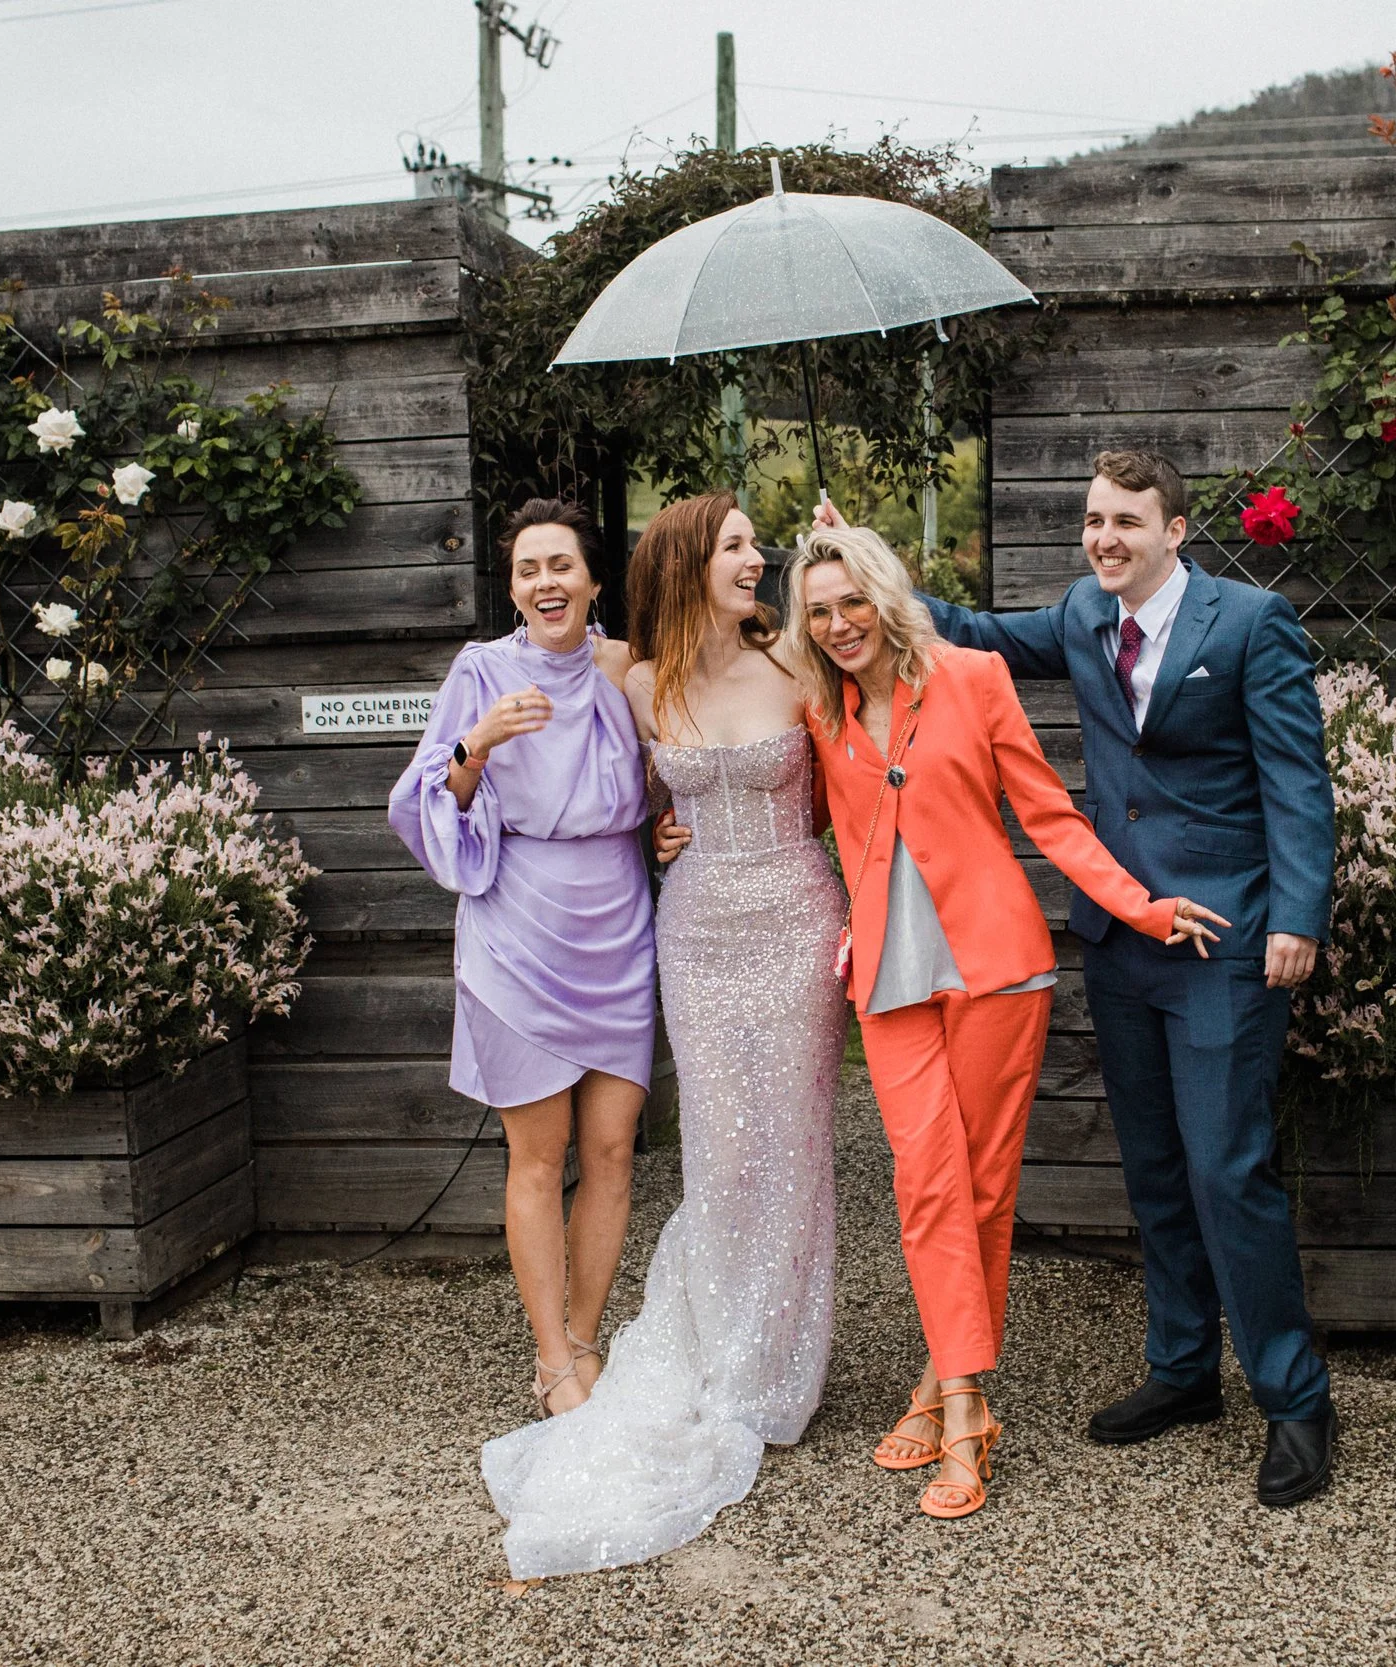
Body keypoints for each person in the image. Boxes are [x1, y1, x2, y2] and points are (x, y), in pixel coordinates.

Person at [771, 517, 1226, 1521]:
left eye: (852, 601)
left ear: (885, 595)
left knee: (978, 1189)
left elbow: (1049, 814)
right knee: (925, 1180)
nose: (840, 622)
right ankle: (968, 1402)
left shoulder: (973, 678)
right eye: (818, 612)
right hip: (888, 978)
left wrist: (1141, 903)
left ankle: (948, 1385)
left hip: (995, 965)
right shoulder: (816, 707)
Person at [917, 449, 1341, 1510]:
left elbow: (1297, 778)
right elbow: (969, 632)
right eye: (1094, 519)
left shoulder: (1248, 624)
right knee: (1152, 1169)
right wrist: (848, 558)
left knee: (1226, 1169)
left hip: (1223, 942)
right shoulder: (1076, 613)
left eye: (1127, 521)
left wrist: (1296, 915)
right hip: (1118, 938)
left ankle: (1296, 1400)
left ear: (1176, 530)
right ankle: (1183, 1370)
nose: (1105, 537)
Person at [479, 491, 847, 1579]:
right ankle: (712, 1346)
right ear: (689, 562)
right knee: (724, 1148)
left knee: (797, 1143)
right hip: (692, 931)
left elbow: (856, 777)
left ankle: (777, 1367)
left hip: (793, 914)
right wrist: (658, 821)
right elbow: (544, 661)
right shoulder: (636, 679)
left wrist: (833, 551)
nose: (758, 558)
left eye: (759, 545)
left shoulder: (798, 662)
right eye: (738, 545)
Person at [387, 496, 654, 1420]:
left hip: (619, 922)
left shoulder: (624, 667)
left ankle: (585, 1337)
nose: (546, 582)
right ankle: (550, 1363)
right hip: (520, 928)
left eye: (561, 566)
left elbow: (668, 770)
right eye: (528, 570)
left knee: (613, 1149)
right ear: (512, 588)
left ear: (592, 579)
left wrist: (667, 826)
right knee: (539, 1157)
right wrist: (479, 740)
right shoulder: (482, 671)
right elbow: (425, 799)